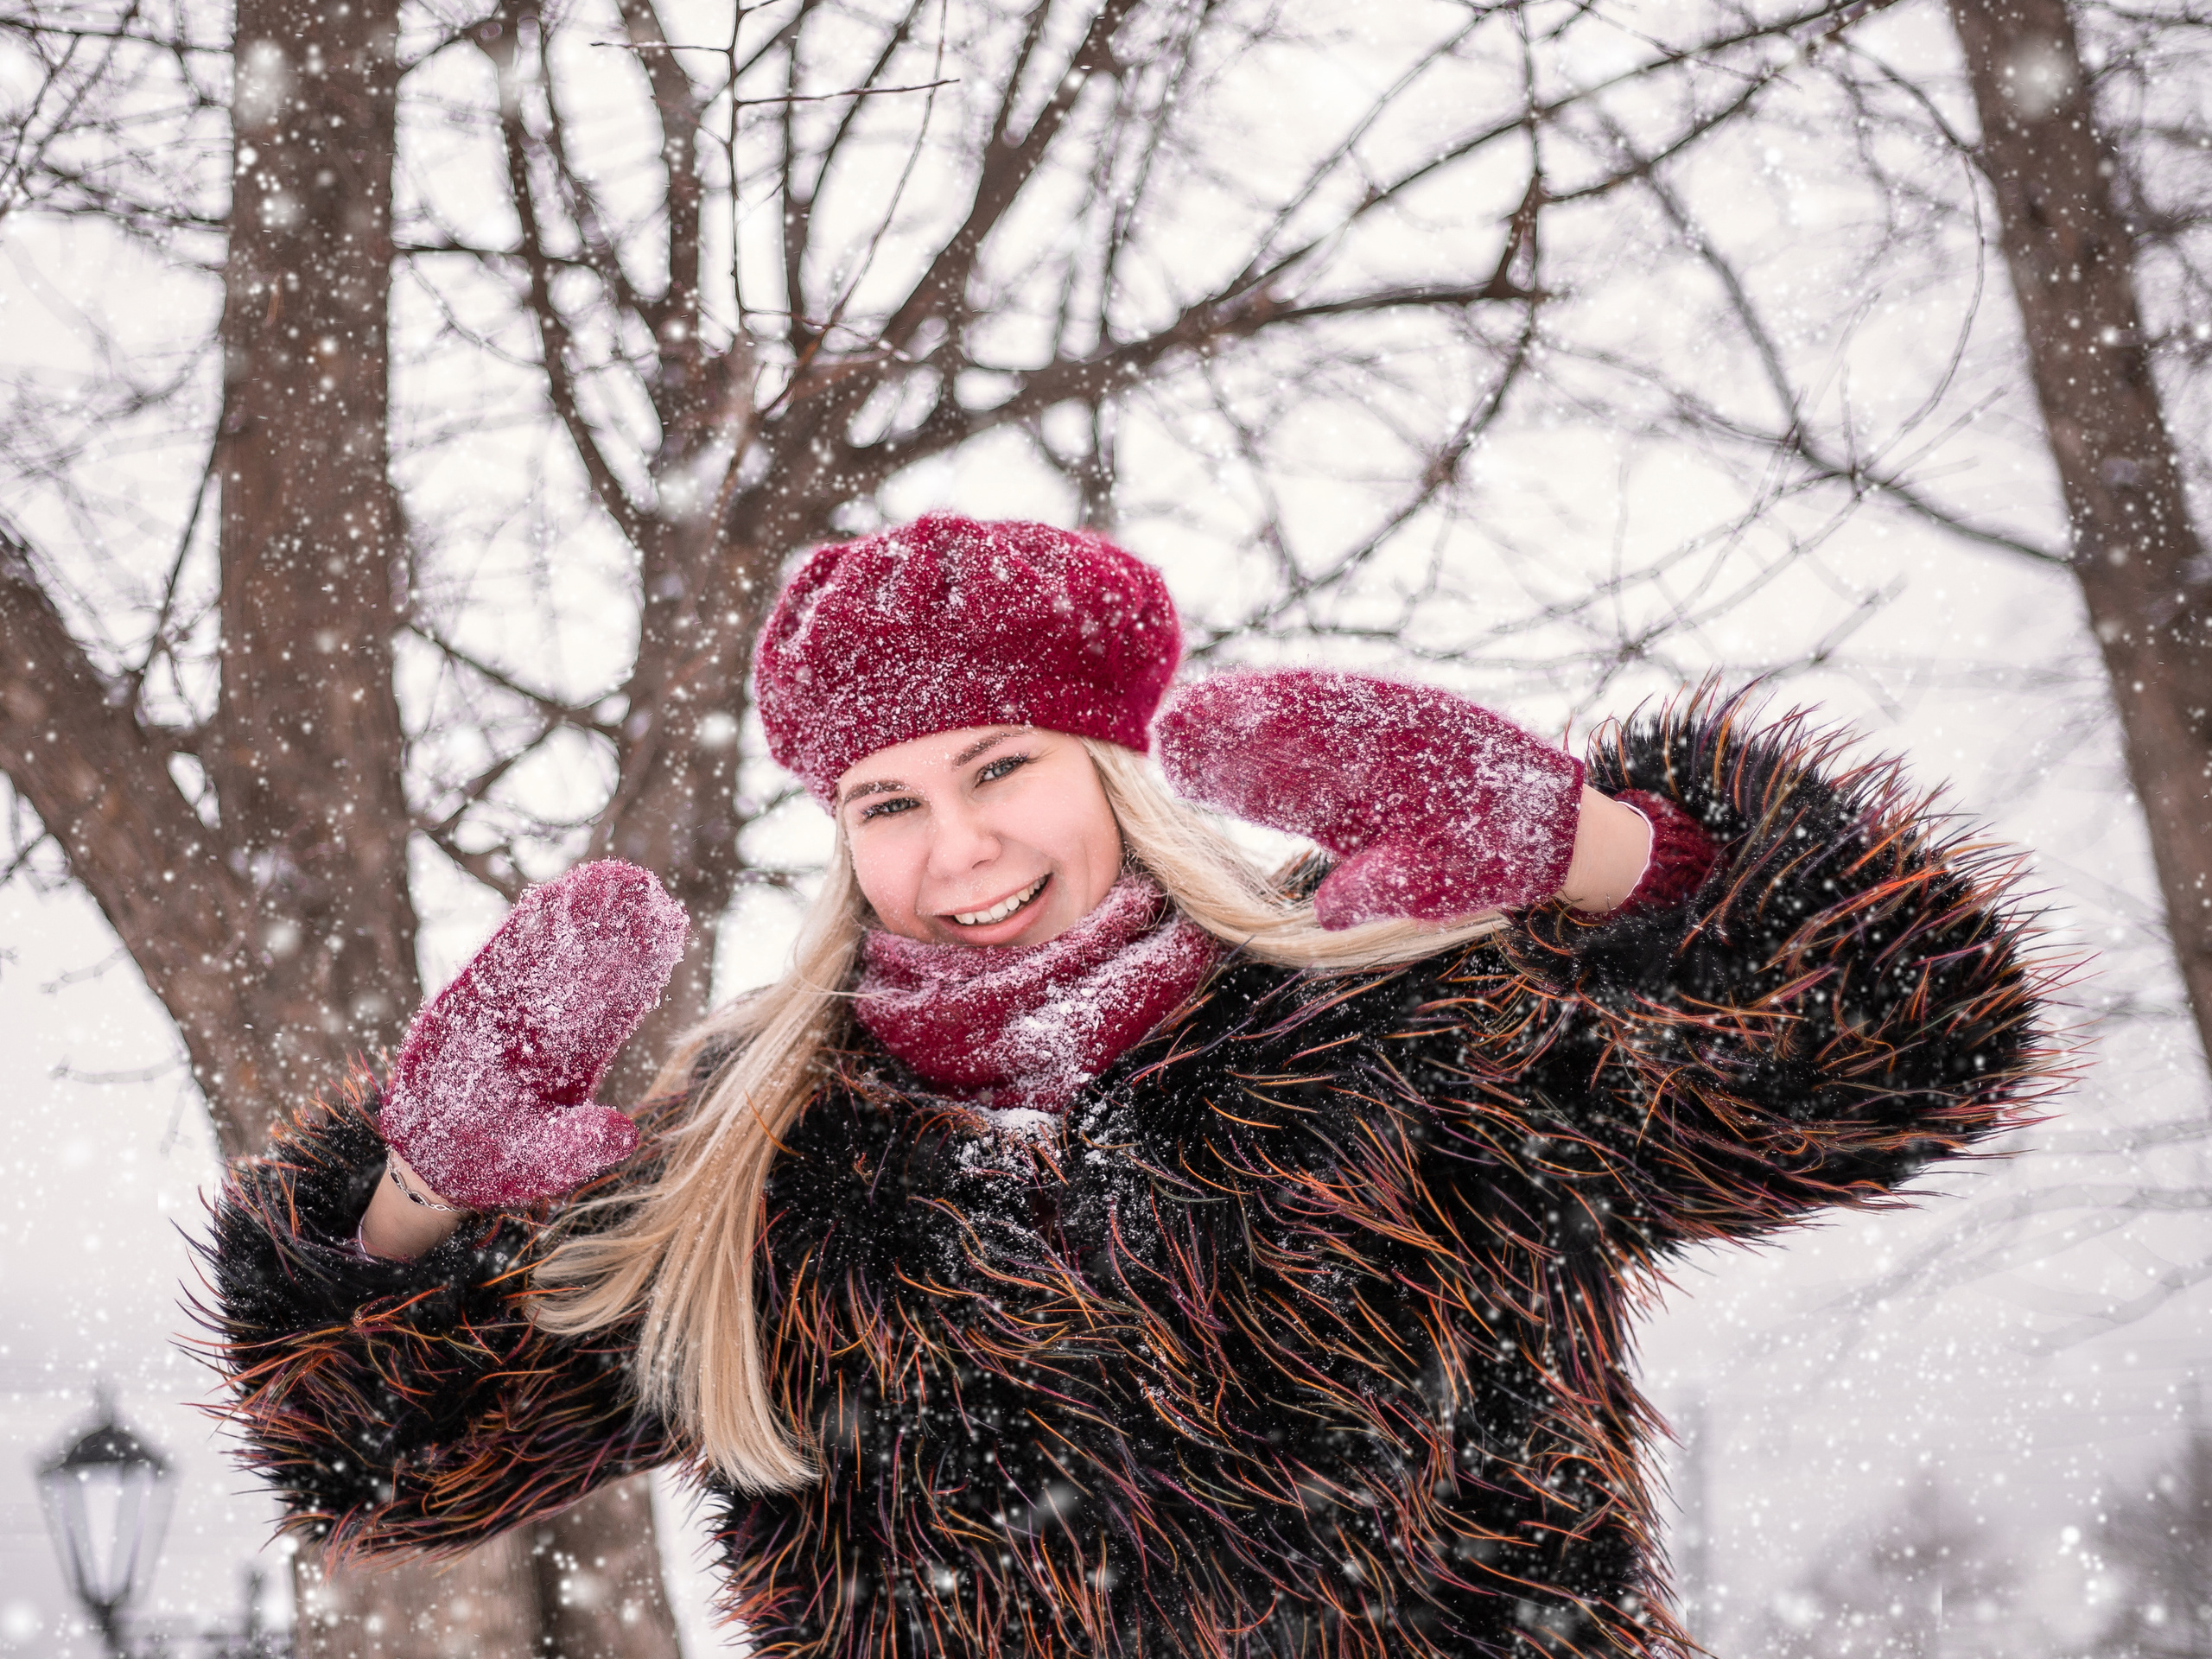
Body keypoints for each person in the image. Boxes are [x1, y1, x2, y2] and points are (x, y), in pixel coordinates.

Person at [200, 513, 2057, 1659]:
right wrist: (417, 1195)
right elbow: (384, 1460)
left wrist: (1591, 852)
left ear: (1107, 763)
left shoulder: (1411, 1028)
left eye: (999, 764)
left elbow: (1910, 1048)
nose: (958, 848)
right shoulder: (756, 1168)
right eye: (887, 802)